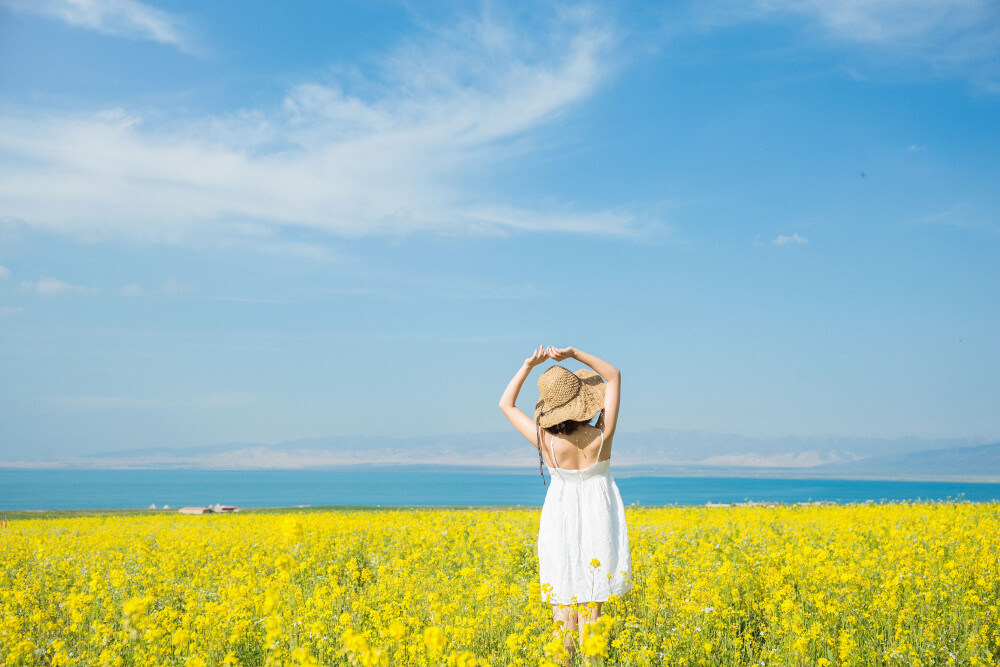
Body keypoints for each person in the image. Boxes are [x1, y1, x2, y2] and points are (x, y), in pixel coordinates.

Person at [499, 345, 632, 662]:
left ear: (550, 409)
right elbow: (613, 375)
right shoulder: (603, 436)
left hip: (560, 520)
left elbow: (506, 404)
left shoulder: (545, 441)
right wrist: (573, 354)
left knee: (563, 606)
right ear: (583, 403)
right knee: (592, 606)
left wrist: (528, 365)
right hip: (600, 519)